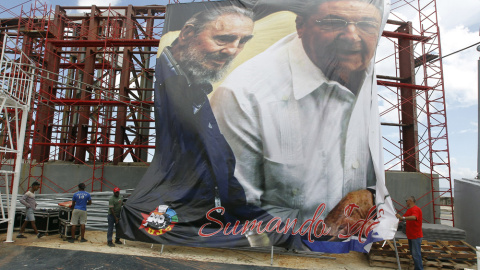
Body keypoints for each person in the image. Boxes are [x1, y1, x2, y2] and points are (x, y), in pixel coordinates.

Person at [211, 0, 388, 243]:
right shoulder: (244, 95)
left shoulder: (367, 80)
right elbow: (232, 214)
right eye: (334, 22)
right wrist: (318, 243)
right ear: (300, 26)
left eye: (367, 24)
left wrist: (367, 195)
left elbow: (375, 182)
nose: (352, 35)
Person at [119, 6, 269, 247]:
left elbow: (220, 158)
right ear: (187, 33)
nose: (233, 50)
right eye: (223, 38)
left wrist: (258, 221)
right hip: (177, 204)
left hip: (203, 209)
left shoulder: (196, 89)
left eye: (242, 41)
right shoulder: (166, 82)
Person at [396, 196, 423, 270]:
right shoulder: (409, 210)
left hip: (416, 236)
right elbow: (401, 218)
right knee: (414, 254)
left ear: (410, 201)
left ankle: (419, 269)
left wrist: (403, 218)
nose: (406, 202)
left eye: (406, 200)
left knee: (416, 254)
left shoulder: (415, 209)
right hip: (411, 236)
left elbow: (414, 217)